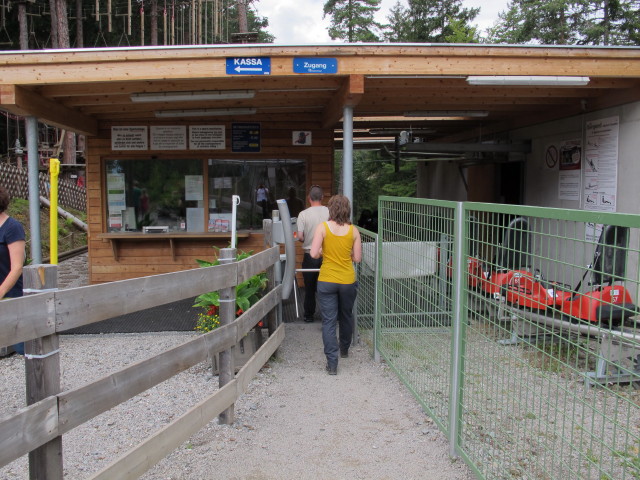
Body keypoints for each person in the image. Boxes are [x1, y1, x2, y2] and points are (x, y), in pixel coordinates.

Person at [310, 194, 362, 375]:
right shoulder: (354, 231)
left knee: (329, 321)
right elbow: (357, 258)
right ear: (347, 210)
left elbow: (313, 254)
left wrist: (325, 251)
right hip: (347, 280)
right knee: (346, 315)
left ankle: (332, 364)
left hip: (327, 280)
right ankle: (344, 349)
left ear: (330, 209)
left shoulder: (322, 228)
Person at [296, 185, 329, 323]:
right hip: (327, 255)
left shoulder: (303, 215)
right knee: (327, 287)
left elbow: (301, 237)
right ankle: (328, 315)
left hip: (310, 255)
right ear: (322, 198)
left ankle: (309, 315)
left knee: (309, 288)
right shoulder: (329, 211)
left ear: (309, 199)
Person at [0, 186, 26, 355]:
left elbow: (17, 267)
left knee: (22, 348)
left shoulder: (12, 227)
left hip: (10, 294)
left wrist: (1, 291)